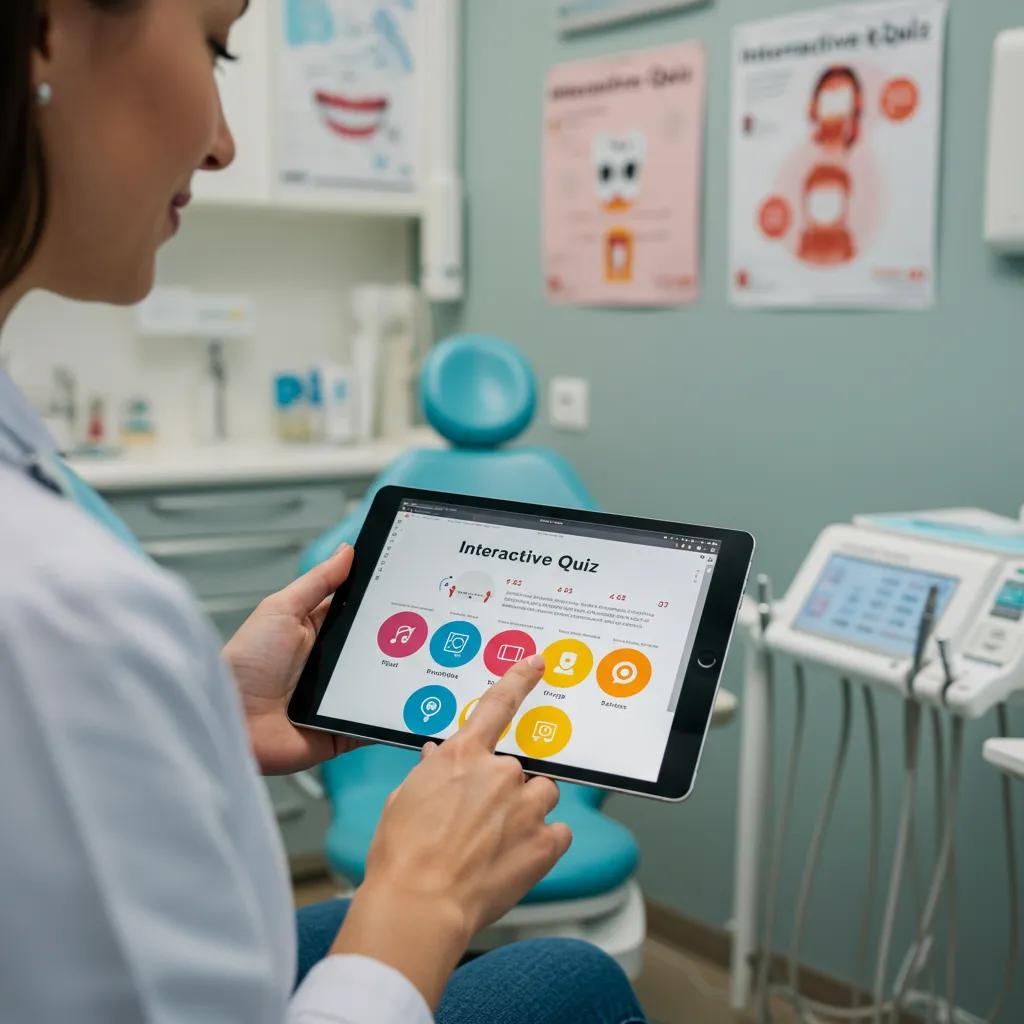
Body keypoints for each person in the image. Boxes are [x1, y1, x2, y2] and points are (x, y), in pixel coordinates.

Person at [0, 3, 648, 1022]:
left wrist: (213, 712)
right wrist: (418, 898)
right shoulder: (51, 602)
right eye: (216, 45)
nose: (223, 141)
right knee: (571, 979)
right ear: (45, 29)